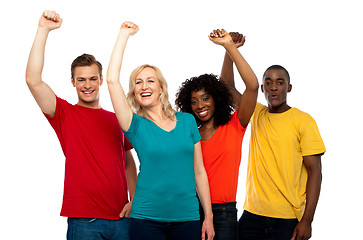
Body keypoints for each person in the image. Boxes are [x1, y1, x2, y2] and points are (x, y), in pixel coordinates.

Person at [25, 11, 137, 240]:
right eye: (82, 79)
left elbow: (127, 161)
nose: (88, 85)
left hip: (122, 218)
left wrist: (134, 200)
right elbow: (33, 80)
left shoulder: (117, 118)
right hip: (85, 221)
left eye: (93, 78)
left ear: (101, 80)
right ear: (73, 82)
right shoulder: (64, 113)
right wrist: (43, 30)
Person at [106, 21, 215, 240]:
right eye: (138, 82)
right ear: (134, 92)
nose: (144, 86)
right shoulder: (134, 125)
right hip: (146, 220)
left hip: (187, 219)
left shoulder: (187, 121)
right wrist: (124, 35)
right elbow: (111, 80)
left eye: (150, 81)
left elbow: (199, 172)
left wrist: (209, 217)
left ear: (161, 88)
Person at [221, 45, 326, 239]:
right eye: (268, 82)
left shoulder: (303, 120)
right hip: (252, 215)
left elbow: (315, 172)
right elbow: (226, 87)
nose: (274, 87)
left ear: (289, 87)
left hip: (287, 219)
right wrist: (229, 50)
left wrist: (307, 220)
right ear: (262, 88)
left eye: (280, 82)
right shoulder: (257, 113)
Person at [175, 30, 259, 240]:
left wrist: (229, 48)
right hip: (190, 210)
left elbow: (252, 86)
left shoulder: (234, 125)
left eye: (205, 98)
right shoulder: (189, 133)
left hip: (224, 213)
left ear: (217, 99)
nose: (200, 105)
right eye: (194, 101)